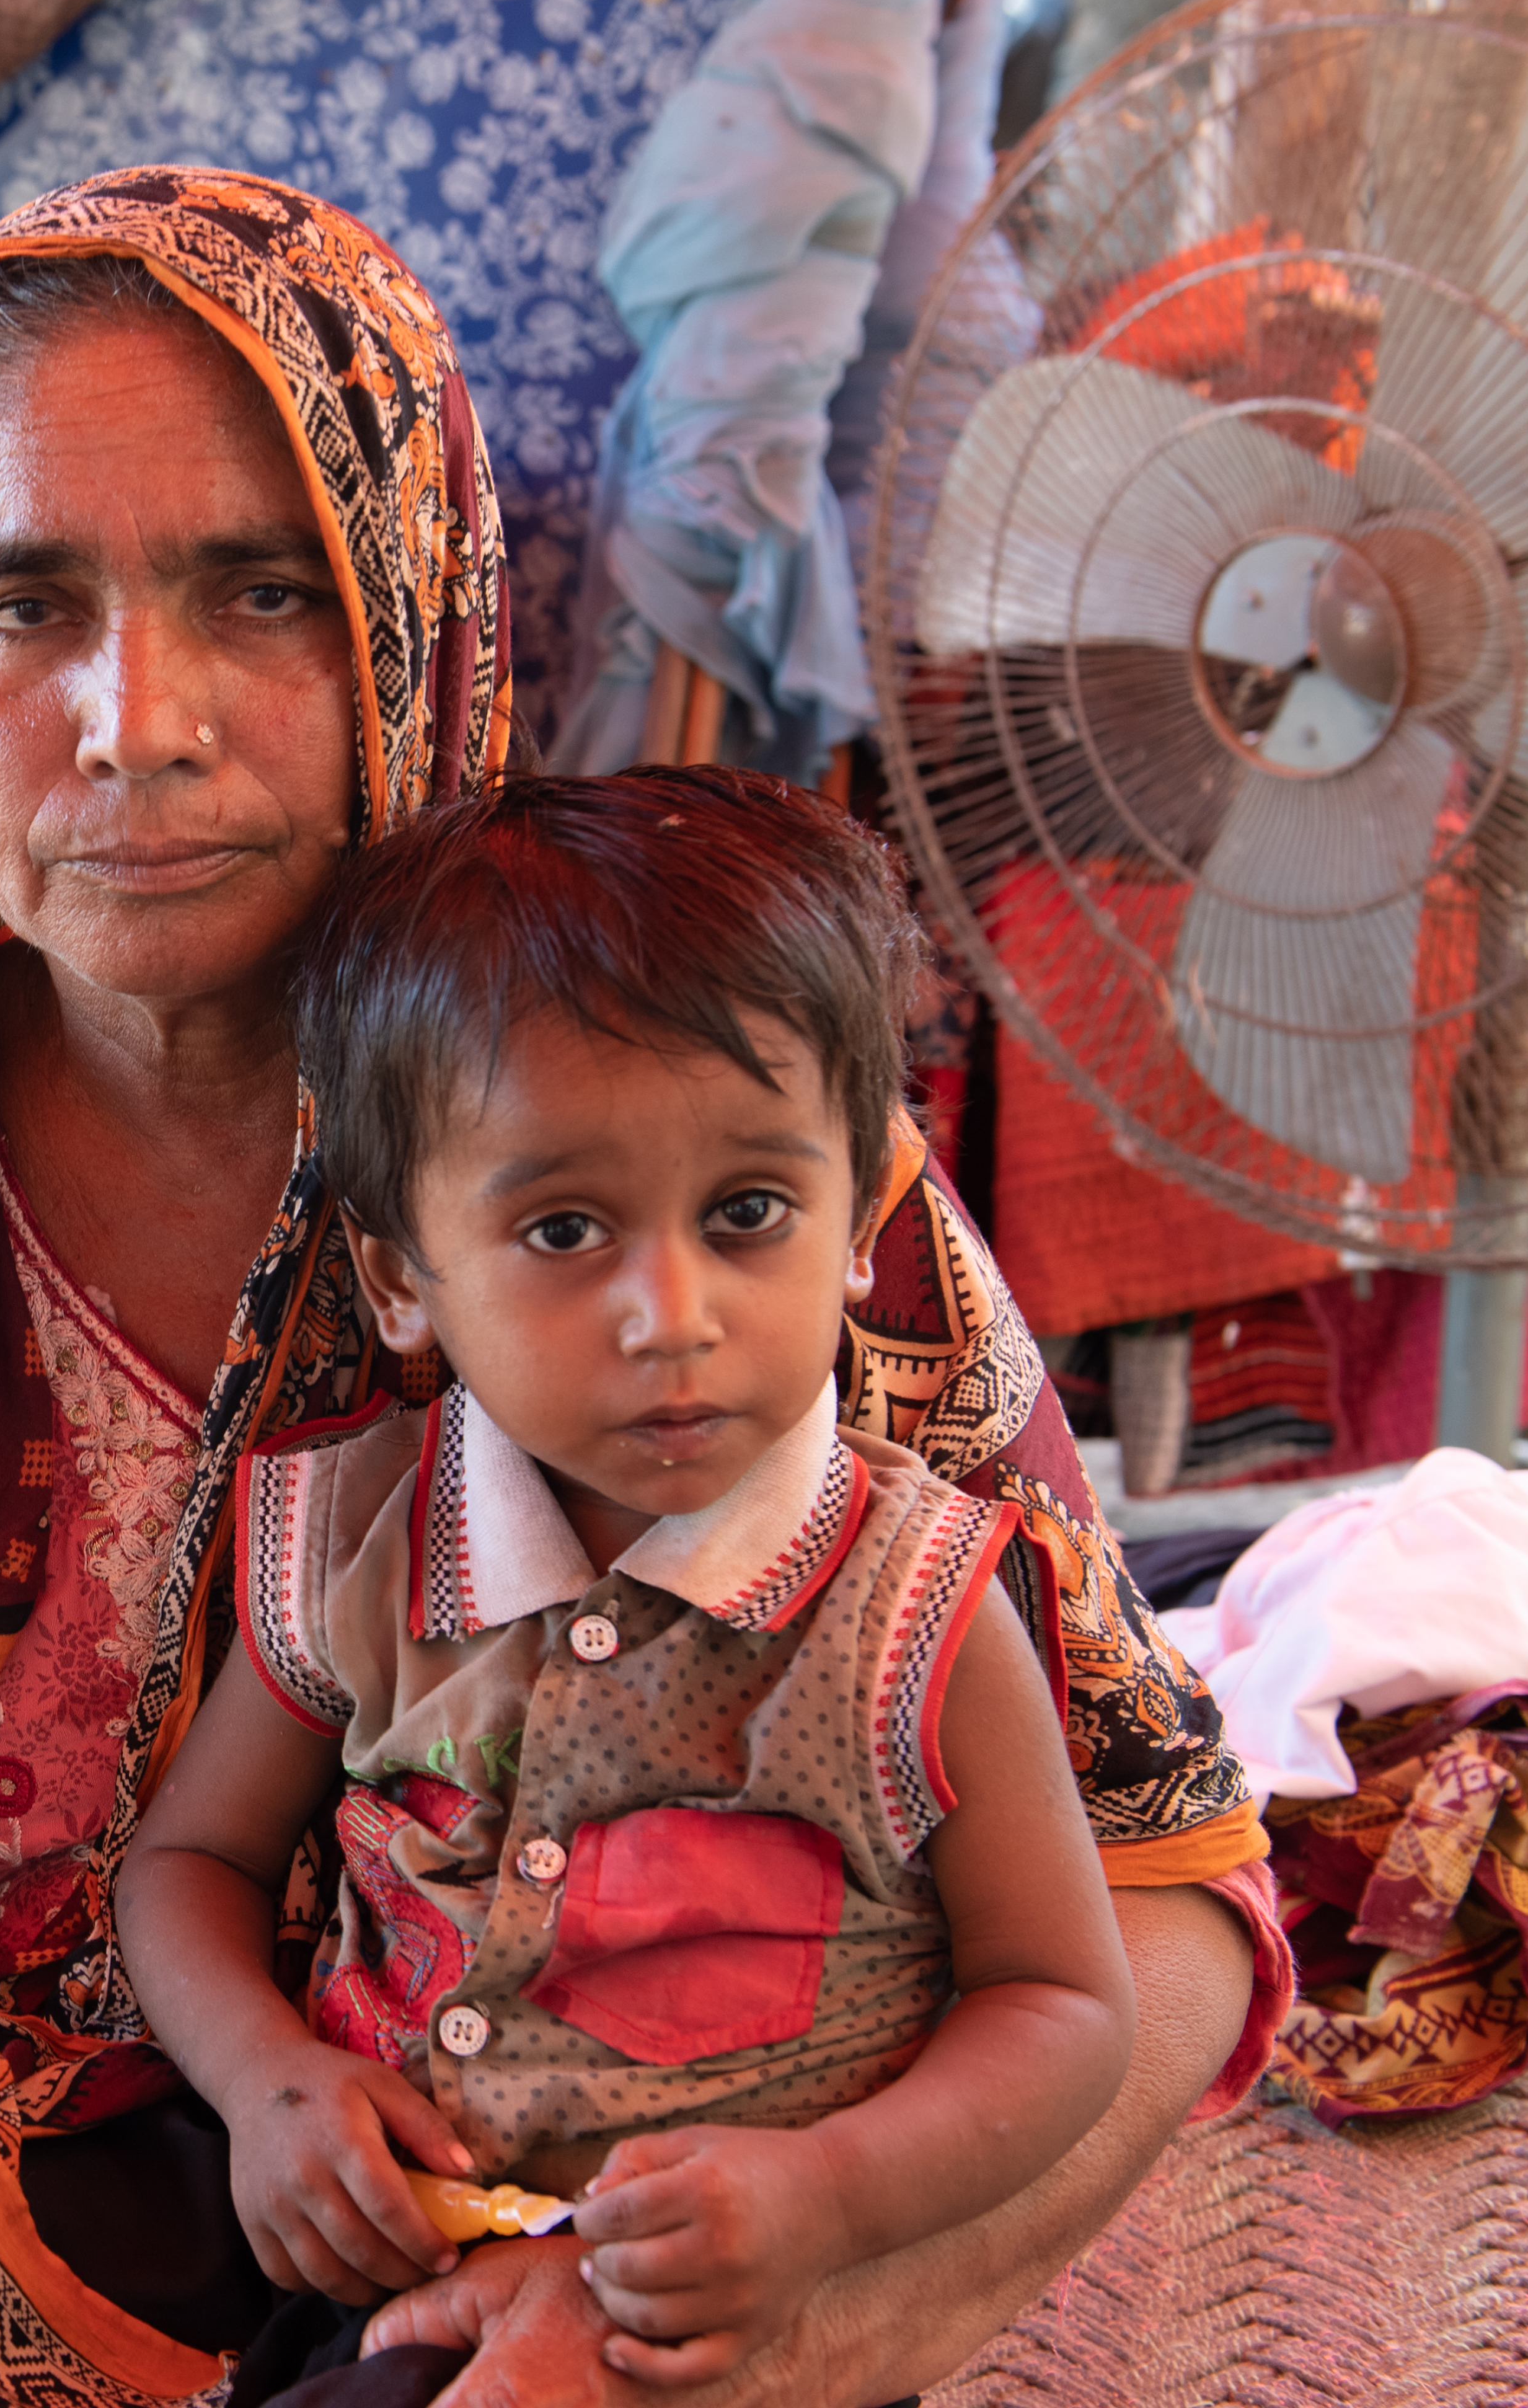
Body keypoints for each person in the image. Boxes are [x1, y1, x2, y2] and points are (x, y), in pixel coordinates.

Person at [0, 166, 1289, 2408]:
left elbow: (1160, 1905)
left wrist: (701, 2325)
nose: (137, 720)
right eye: (23, 607)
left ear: (415, 612)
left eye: (262, 591)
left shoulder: (690, 1118)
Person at [117, 769, 1136, 2408]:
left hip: (729, 2319)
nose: (672, 1314)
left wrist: (830, 2200)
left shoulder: (920, 1608)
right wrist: (267, 2085)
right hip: (390, 2248)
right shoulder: (361, 1539)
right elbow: (189, 1862)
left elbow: (1066, 2003)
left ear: (864, 1218)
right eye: (567, 1228)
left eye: (747, 1213)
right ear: (401, 1277)